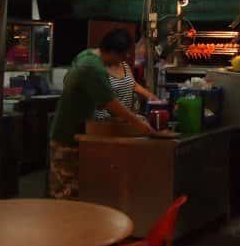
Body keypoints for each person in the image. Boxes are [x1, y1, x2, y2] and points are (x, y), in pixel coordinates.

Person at [50, 29, 153, 199]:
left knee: (76, 190)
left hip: (75, 131)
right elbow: (110, 103)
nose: (124, 60)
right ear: (113, 52)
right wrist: (139, 124)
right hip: (67, 136)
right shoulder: (93, 69)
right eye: (123, 56)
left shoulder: (87, 55)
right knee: (66, 193)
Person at [93, 46, 162, 120]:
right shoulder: (99, 68)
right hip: (105, 120)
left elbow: (134, 85)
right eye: (124, 52)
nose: (128, 55)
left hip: (123, 118)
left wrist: (156, 100)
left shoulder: (124, 65)